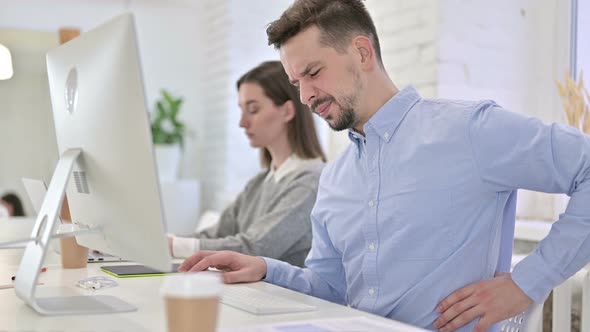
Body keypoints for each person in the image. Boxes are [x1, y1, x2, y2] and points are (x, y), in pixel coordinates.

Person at [179, 1, 590, 331]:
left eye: (314, 73)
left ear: (362, 52)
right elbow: (331, 289)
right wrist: (266, 269)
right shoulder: (336, 179)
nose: (305, 95)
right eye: (296, 82)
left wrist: (525, 285)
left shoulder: (469, 130)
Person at [169, 61, 326, 267]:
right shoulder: (259, 183)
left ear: (287, 111)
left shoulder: (311, 182)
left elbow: (254, 247)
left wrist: (174, 246)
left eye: (252, 110)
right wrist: (166, 242)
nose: (242, 123)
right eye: (242, 110)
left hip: (282, 297)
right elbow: (217, 233)